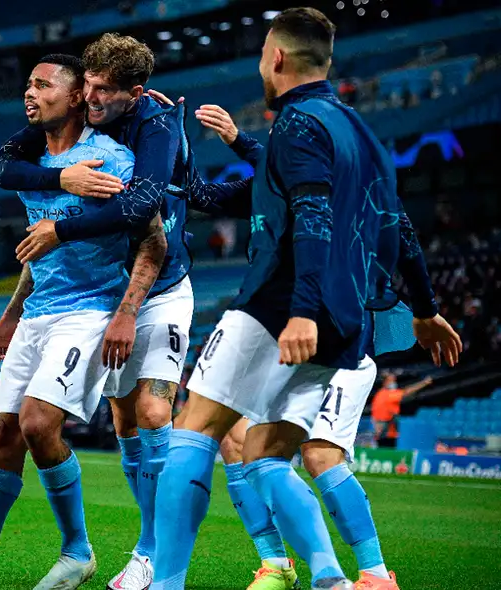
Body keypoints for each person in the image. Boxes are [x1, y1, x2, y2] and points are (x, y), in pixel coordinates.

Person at [149, 8, 461, 590]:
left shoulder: (296, 123)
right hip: (348, 325)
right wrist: (425, 310)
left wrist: (300, 310)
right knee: (267, 452)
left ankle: (165, 583)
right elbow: (398, 229)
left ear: (277, 58)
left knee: (194, 430)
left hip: (279, 306)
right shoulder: (362, 136)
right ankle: (332, 579)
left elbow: (313, 215)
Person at [0, 53, 164, 590]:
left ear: (74, 98)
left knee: (39, 423)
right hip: (39, 312)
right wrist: (9, 315)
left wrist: (126, 314)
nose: (30, 93)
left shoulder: (110, 158)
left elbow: (152, 239)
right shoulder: (38, 162)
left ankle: (77, 550)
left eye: (43, 86)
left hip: (89, 310)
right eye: (27, 84)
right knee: (3, 436)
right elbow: (38, 245)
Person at [0, 33, 193, 589]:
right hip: (108, 287)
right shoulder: (66, 134)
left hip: (160, 288)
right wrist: (60, 182)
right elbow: (1, 169)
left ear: (135, 92)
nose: (94, 98)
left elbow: (144, 209)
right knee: (126, 422)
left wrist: (63, 227)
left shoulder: (154, 126)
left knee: (151, 414)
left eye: (105, 90)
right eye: (90, 86)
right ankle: (142, 543)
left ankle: (155, 553)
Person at [371, 373, 433, 447]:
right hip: (383, 432)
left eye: (394, 380)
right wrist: (424, 383)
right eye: (391, 380)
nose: (393, 382)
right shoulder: (385, 394)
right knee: (383, 449)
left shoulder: (384, 393)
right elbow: (407, 391)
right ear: (385, 382)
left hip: (389, 431)